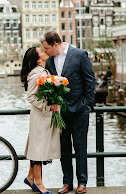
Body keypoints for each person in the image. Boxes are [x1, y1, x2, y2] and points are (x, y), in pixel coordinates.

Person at [41, 30, 95, 194]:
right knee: (64, 148)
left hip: (79, 110)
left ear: (55, 45)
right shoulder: (49, 61)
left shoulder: (79, 55)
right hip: (60, 112)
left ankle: (82, 182)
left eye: (46, 48)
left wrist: (87, 105)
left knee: (80, 147)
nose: (44, 52)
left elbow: (90, 80)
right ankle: (67, 182)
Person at [20, 47, 61, 194]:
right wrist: (48, 107)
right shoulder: (36, 74)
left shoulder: (43, 71)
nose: (45, 52)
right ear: (38, 59)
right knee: (38, 150)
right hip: (40, 117)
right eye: (42, 52)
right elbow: (31, 96)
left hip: (44, 117)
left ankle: (30, 177)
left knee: (39, 147)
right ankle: (39, 183)